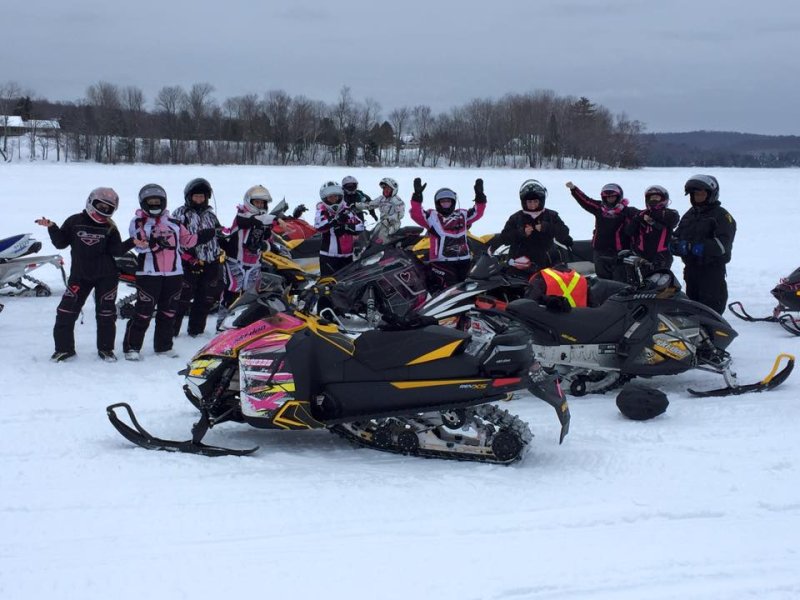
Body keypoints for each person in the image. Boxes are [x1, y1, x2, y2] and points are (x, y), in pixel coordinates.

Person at [35, 188, 133, 362]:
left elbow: (116, 250)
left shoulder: (110, 227)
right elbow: (60, 243)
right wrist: (52, 227)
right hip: (80, 276)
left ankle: (106, 349)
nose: (103, 209)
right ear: (91, 202)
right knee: (65, 311)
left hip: (106, 276)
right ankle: (64, 349)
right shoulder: (75, 221)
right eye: (100, 205)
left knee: (106, 314)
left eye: (108, 207)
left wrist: (133, 241)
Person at [123, 184, 215, 360]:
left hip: (174, 273)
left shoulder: (174, 223)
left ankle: (163, 346)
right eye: (151, 202)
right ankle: (132, 347)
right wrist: (154, 244)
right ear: (144, 203)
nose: (155, 204)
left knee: (169, 311)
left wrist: (205, 235)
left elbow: (187, 241)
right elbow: (140, 244)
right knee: (144, 311)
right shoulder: (139, 221)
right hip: (149, 274)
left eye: (158, 201)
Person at [671, 174, 736, 314]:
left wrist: (695, 247)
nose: (698, 197)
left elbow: (722, 245)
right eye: (695, 194)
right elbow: (676, 236)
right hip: (691, 271)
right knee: (691, 311)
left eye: (701, 194)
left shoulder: (722, 216)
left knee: (710, 313)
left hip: (711, 272)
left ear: (711, 194)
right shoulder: (690, 214)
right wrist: (674, 245)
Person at [409, 177, 486, 294]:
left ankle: (466, 310)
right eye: (443, 202)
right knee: (451, 290)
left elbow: (478, 212)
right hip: (441, 262)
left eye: (448, 201)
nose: (446, 204)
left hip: (464, 260)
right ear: (438, 203)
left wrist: (480, 196)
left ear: (453, 202)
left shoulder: (462, 215)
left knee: (468, 289)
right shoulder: (432, 217)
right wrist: (417, 197)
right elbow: (416, 214)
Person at [171, 177, 223, 338]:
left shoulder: (210, 215)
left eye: (202, 196)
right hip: (188, 263)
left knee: (205, 298)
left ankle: (196, 330)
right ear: (189, 197)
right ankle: (171, 331)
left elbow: (218, 233)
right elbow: (174, 239)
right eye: (196, 196)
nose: (199, 199)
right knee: (182, 299)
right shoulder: (180, 214)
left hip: (210, 262)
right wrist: (189, 258)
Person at [491, 179, 572, 277]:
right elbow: (504, 238)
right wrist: (521, 232)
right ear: (524, 202)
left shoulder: (551, 216)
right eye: (529, 202)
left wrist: (546, 227)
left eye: (535, 201)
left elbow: (564, 232)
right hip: (519, 265)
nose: (532, 205)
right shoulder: (516, 218)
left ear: (541, 201)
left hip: (546, 264)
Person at [218, 185, 276, 321]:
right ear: (249, 202)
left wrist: (264, 245)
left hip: (254, 264)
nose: (260, 205)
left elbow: (269, 242)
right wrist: (276, 219)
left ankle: (243, 323)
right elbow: (250, 221)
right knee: (230, 293)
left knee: (250, 296)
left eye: (262, 203)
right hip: (235, 262)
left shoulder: (266, 221)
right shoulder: (241, 216)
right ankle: (221, 324)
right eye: (257, 202)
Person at [566, 181, 638, 281]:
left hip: (620, 251)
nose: (610, 199)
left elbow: (642, 217)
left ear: (618, 197)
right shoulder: (599, 208)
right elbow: (586, 201)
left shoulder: (628, 211)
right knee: (602, 277)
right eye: (608, 197)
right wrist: (574, 189)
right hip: (600, 249)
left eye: (612, 197)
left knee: (619, 278)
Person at [625, 185, 680, 275]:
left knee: (659, 284)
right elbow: (629, 231)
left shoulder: (670, 214)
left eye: (657, 198)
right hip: (641, 256)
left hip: (661, 257)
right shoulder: (641, 215)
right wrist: (637, 219)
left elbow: (673, 220)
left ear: (663, 199)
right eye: (651, 198)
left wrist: (651, 218)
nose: (654, 200)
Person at [314, 180, 365, 277]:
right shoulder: (322, 210)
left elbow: (360, 225)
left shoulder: (346, 210)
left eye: (335, 196)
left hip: (347, 256)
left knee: (347, 285)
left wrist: (346, 227)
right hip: (329, 256)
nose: (333, 199)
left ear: (340, 196)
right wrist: (335, 220)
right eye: (330, 197)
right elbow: (318, 226)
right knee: (328, 285)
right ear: (325, 198)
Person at [363, 177, 405, 245]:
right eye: (384, 188)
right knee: (371, 236)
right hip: (382, 223)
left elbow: (400, 215)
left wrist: (389, 220)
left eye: (388, 189)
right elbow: (369, 205)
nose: (385, 190)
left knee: (381, 239)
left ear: (393, 189)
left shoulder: (397, 201)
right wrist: (356, 206)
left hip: (393, 224)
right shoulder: (381, 199)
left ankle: (389, 251)